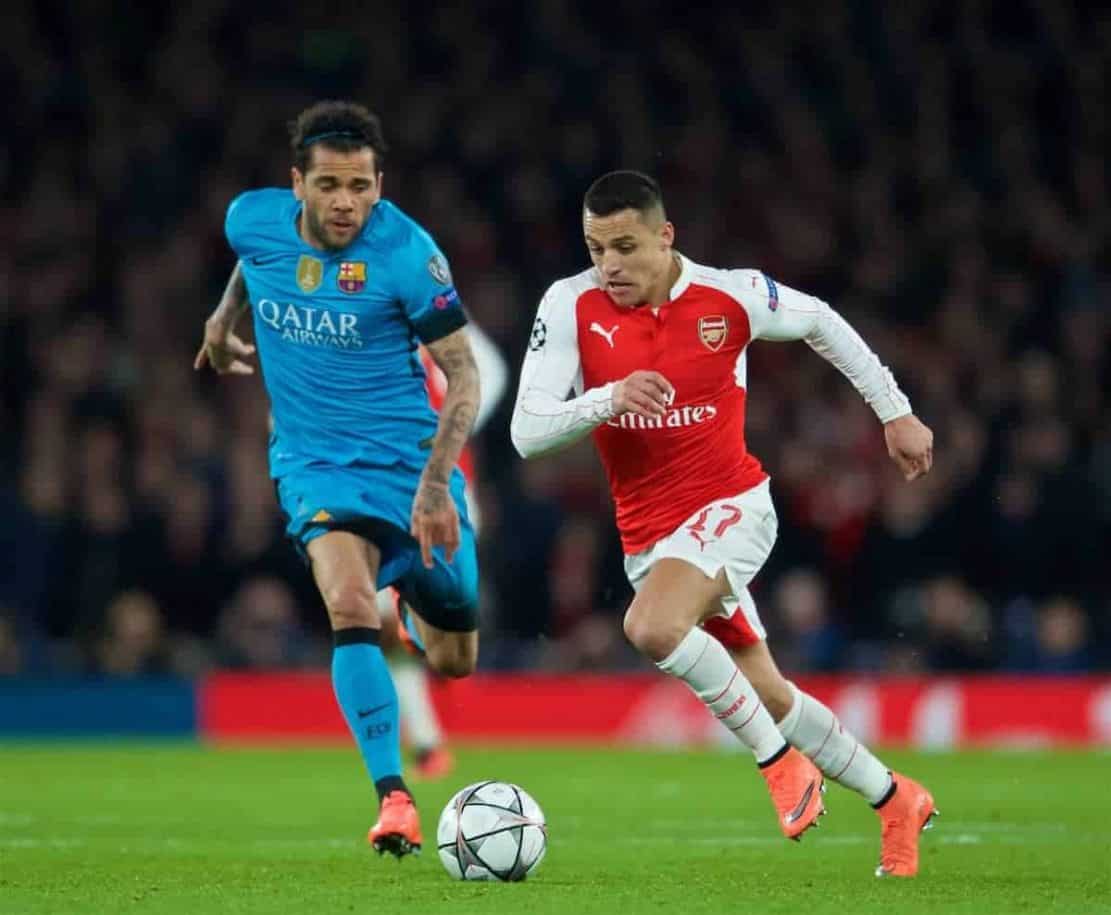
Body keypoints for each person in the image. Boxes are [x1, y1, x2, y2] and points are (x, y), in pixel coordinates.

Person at [510, 170, 938, 877]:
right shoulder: (569, 303)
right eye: (594, 247)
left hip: (732, 507)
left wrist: (893, 410)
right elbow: (528, 431)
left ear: (664, 236)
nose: (609, 264)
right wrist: (608, 398)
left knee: (648, 627)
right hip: (650, 540)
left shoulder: (730, 295)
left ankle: (778, 764)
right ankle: (895, 798)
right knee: (767, 693)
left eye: (624, 245)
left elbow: (821, 321)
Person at [194, 100, 482, 859]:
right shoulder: (250, 220)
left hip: (408, 468)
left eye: (359, 185)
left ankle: (416, 617)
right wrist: (222, 322)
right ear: (298, 184)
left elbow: (464, 376)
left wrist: (434, 487)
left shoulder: (407, 255)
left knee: (455, 656)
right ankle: (394, 797)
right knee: (347, 601)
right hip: (313, 463)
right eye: (328, 185)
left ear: (378, 184)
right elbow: (254, 263)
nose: (344, 201)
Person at [378, 321, 508, 780]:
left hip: (446, 494)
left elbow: (490, 373)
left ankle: (424, 619)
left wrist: (453, 423)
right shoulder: (359, 327)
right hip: (381, 492)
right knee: (382, 624)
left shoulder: (443, 327)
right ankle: (428, 741)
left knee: (442, 637)